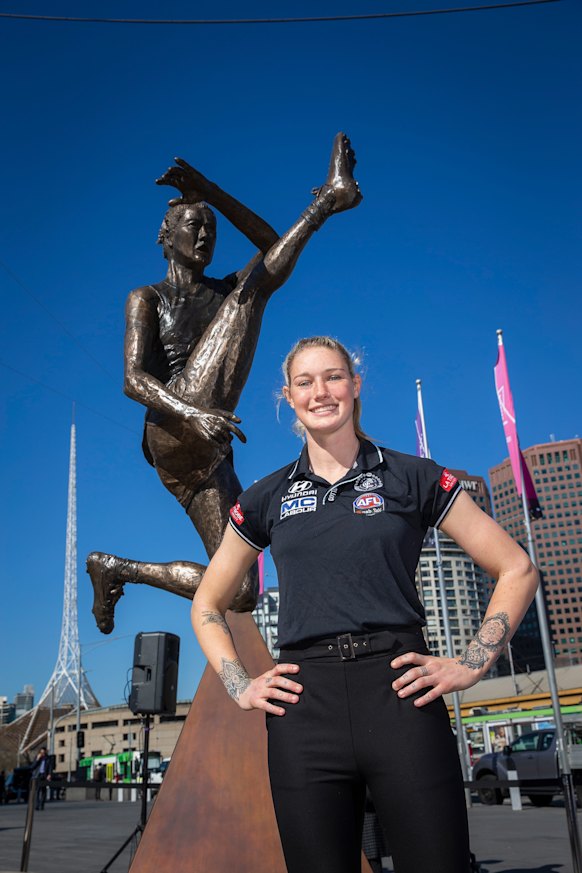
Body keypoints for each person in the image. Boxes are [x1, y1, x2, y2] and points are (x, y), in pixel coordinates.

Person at [191, 335, 539, 873]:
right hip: (304, 709)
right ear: (288, 396)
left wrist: (471, 663)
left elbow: (516, 567)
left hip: (400, 694)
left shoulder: (414, 476)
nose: (321, 391)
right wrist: (240, 684)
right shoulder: (267, 496)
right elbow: (208, 603)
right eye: (304, 382)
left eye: (333, 376)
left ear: (355, 385)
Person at [87, 135, 362, 633]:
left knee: (239, 591)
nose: (206, 237)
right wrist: (194, 413)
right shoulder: (146, 298)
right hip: (174, 427)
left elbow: (270, 242)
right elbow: (133, 379)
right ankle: (328, 199)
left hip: (210, 452)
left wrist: (209, 191)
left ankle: (115, 568)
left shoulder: (223, 292)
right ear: (166, 236)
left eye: (211, 228)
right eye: (194, 226)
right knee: (253, 289)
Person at [31, 747, 52, 811]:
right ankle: (36, 805)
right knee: (37, 790)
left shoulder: (48, 758)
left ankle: (42, 805)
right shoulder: (37, 757)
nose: (42, 754)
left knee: (43, 791)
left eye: (44, 752)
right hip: (38, 775)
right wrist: (37, 759)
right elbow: (33, 766)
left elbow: (50, 767)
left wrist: (49, 774)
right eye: (41, 752)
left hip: (44, 775)